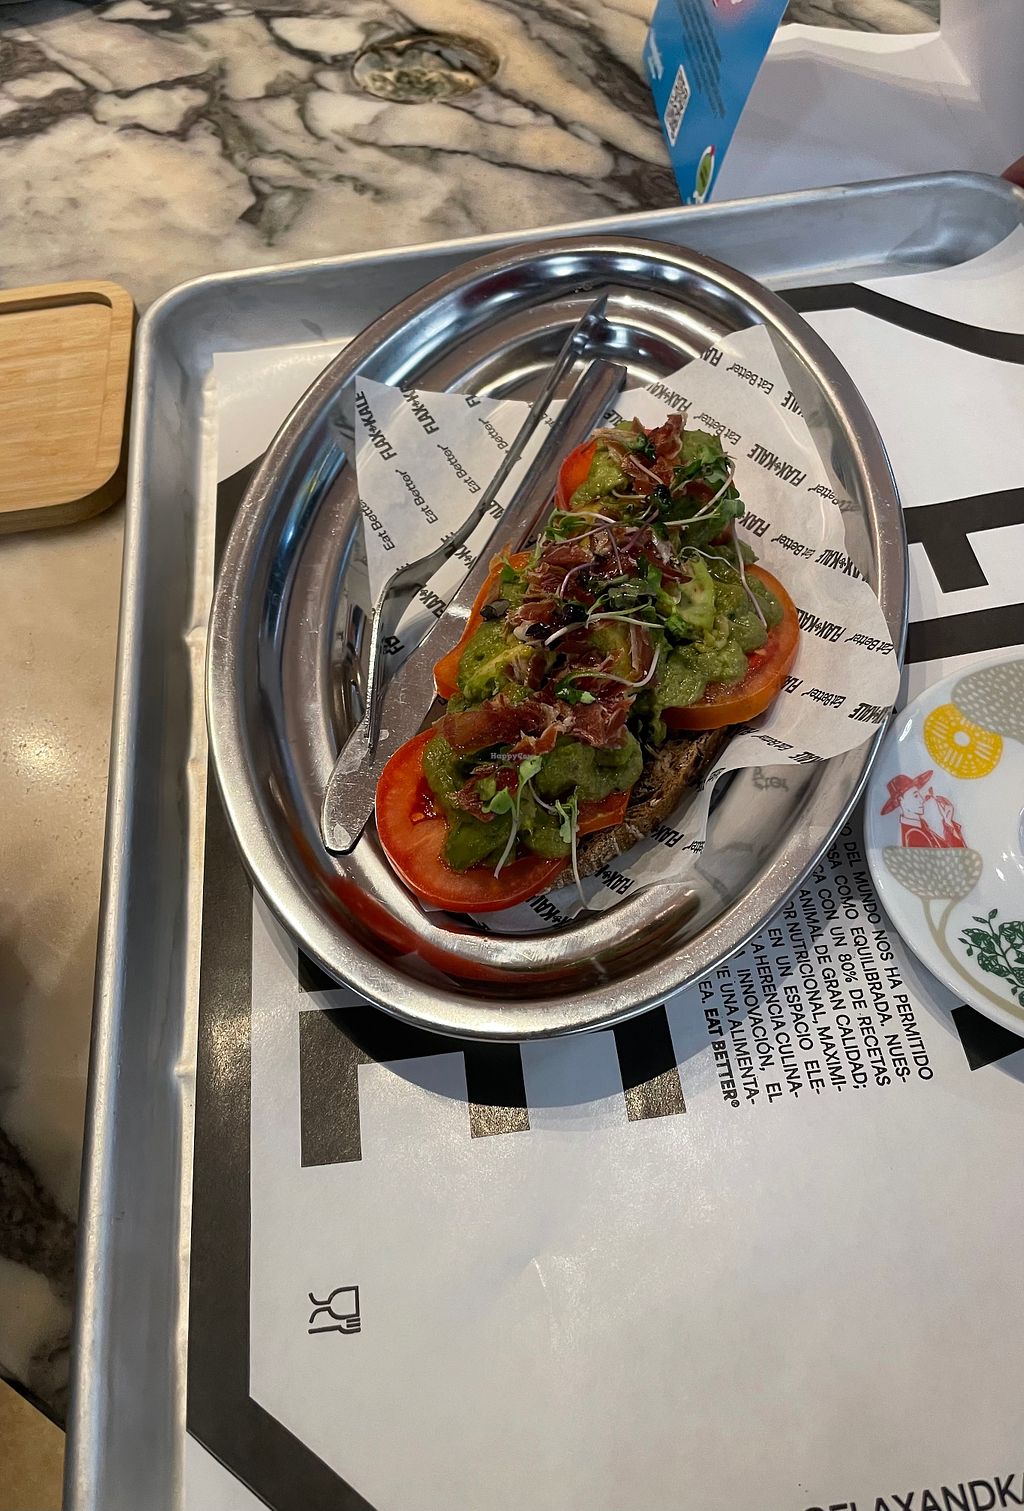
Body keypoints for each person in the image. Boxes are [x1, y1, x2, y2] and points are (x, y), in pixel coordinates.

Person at [880, 770, 966, 848]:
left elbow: (955, 856)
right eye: (915, 796)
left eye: (919, 795)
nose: (921, 800)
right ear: (901, 800)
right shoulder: (913, 835)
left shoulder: (920, 827)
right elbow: (957, 858)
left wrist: (948, 821)